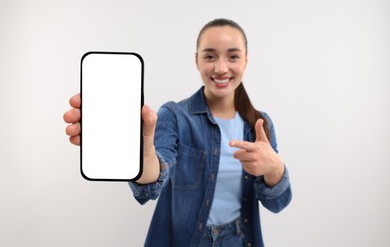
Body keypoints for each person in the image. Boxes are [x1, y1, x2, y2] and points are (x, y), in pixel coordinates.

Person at [64, 18, 292, 247]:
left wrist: (275, 168)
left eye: (233, 56)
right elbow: (152, 183)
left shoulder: (260, 124)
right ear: (196, 60)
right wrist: (144, 156)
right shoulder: (174, 115)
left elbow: (278, 203)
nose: (221, 68)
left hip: (240, 239)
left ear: (246, 60)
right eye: (210, 56)